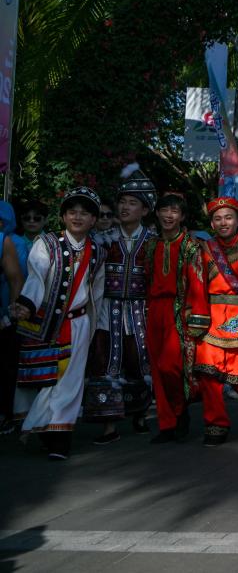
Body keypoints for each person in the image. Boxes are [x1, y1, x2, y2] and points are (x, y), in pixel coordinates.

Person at [11, 188, 105, 460]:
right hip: (44, 321)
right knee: (44, 381)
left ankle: (60, 437)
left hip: (78, 324)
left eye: (85, 212)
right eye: (72, 211)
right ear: (63, 216)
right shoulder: (47, 243)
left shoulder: (97, 251)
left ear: (93, 220)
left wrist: (95, 327)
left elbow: (96, 291)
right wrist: (27, 303)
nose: (78, 217)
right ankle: (45, 429)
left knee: (70, 383)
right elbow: (37, 274)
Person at [83, 166, 157, 443]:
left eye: (132, 203)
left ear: (145, 210)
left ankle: (139, 415)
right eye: (122, 202)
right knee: (105, 359)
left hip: (140, 311)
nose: (125, 207)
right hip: (108, 310)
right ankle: (109, 425)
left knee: (138, 361)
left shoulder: (153, 243)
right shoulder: (102, 240)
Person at [187, 196, 238, 446]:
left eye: (228, 217)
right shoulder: (203, 250)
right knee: (208, 375)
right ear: (211, 223)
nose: (223, 222)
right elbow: (196, 284)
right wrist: (196, 317)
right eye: (218, 218)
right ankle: (215, 423)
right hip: (209, 317)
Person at [144, 193, 204, 444]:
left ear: (182, 217)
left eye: (174, 211)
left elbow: (198, 283)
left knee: (172, 366)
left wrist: (197, 317)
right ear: (157, 213)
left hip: (180, 311)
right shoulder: (150, 245)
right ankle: (167, 424)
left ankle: (180, 411)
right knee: (157, 369)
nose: (169, 215)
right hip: (153, 310)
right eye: (165, 210)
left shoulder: (191, 246)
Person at [0, 201, 26, 434]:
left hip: (4, 317)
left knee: (7, 366)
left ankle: (8, 414)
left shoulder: (8, 242)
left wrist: (11, 311)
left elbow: (16, 278)